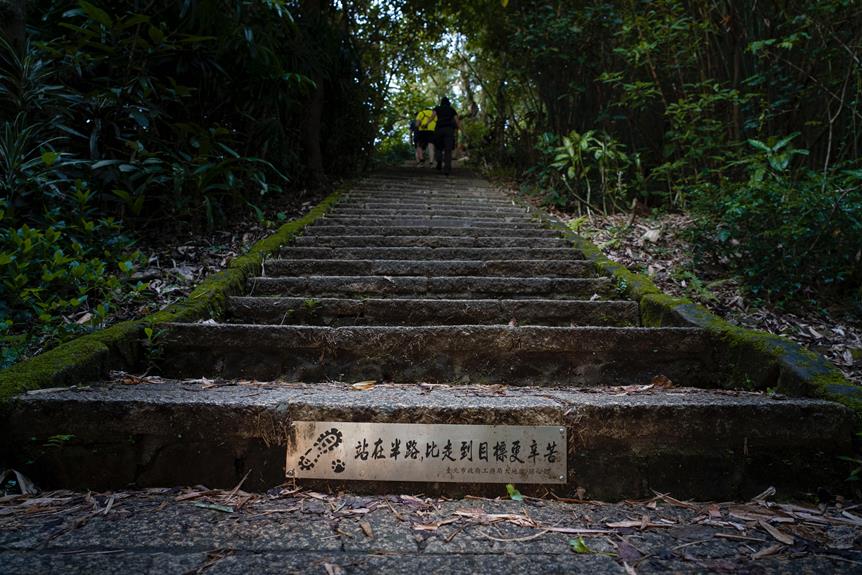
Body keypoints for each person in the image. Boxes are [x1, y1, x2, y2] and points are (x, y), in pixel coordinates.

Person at [430, 97, 460, 175]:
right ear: (448, 102)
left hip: (439, 129)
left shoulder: (437, 108)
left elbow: (432, 116)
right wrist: (460, 129)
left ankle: (439, 162)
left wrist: (427, 123)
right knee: (448, 149)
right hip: (449, 130)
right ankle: (447, 168)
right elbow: (457, 120)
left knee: (438, 147)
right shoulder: (451, 109)